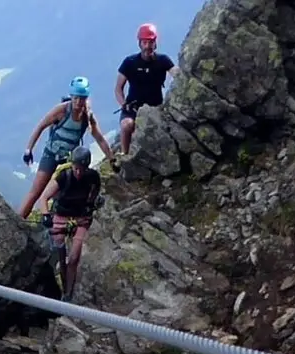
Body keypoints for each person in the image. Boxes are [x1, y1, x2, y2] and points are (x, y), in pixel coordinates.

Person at [16, 76, 115, 220]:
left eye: (81, 98)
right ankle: (18, 220)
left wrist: (112, 159)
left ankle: (60, 221)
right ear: (71, 96)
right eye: (75, 98)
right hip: (51, 154)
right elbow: (41, 126)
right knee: (36, 192)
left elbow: (99, 137)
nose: (78, 102)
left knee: (65, 190)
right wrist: (28, 150)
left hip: (69, 160)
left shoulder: (88, 117)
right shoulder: (61, 110)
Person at [33, 145, 103, 301]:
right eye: (76, 168)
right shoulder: (63, 177)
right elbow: (44, 198)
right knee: (60, 255)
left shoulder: (92, 177)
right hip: (61, 216)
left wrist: (91, 204)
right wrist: (46, 215)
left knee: (73, 258)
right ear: (72, 165)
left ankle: (68, 294)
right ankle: (64, 288)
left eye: (82, 169)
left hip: (80, 218)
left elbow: (95, 191)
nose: (79, 172)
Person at [114, 23, 177, 156]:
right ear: (140, 43)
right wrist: (124, 105)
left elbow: (177, 74)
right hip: (133, 108)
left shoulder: (163, 60)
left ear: (155, 43)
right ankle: (125, 155)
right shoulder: (130, 62)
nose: (147, 46)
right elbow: (118, 88)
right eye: (145, 42)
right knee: (126, 125)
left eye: (151, 42)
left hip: (156, 108)